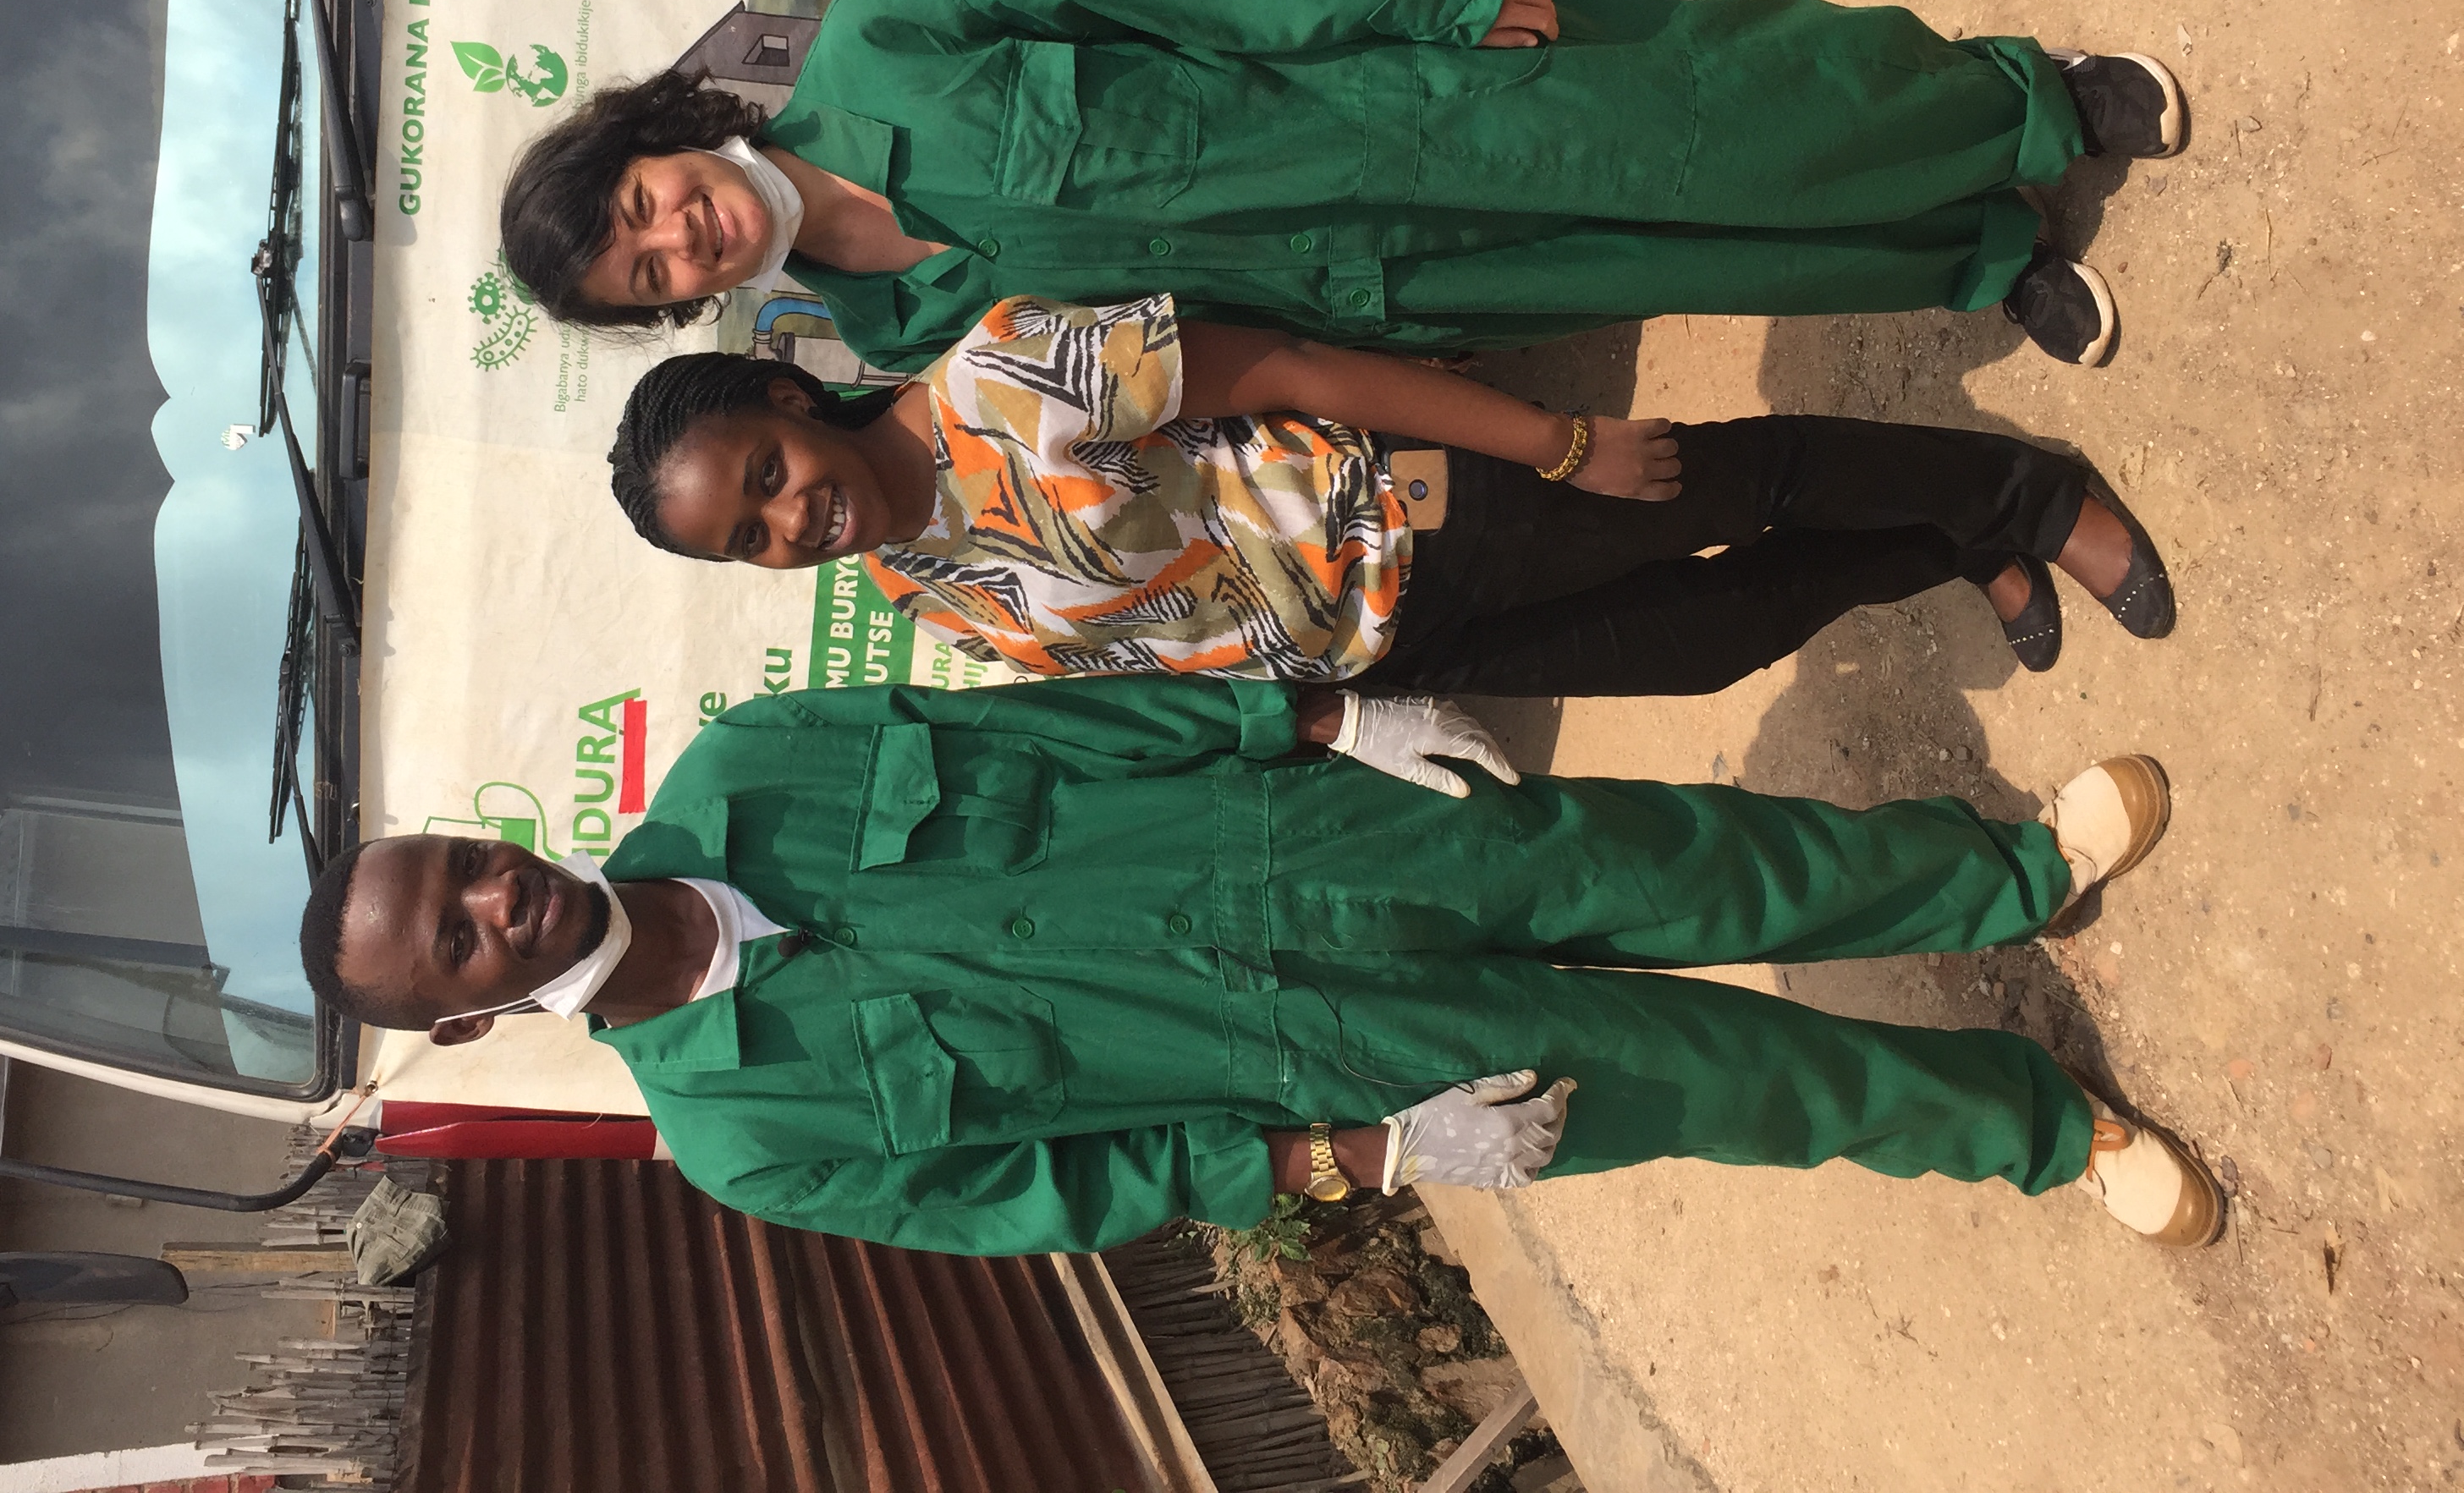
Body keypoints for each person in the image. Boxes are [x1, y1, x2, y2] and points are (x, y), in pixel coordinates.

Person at [301, 674, 2224, 1256]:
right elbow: (1066, 1189)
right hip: (1319, 1046)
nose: (499, 899)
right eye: (458, 936)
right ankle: (2046, 1130)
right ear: (467, 1012)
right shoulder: (743, 1138)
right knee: (1716, 1083)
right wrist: (1375, 1158)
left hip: (1305, 832)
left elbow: (1055, 726)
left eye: (467, 864)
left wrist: (1327, 721)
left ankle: (2006, 869)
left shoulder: (741, 772)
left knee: (1686, 858)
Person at [499, 0, 2188, 373]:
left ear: (660, 134)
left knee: (1712, 115)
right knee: (1691, 256)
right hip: (1391, 275)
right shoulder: (890, 330)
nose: (674, 241)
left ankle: (2022, 101)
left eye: (639, 207)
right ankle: (1976, 248)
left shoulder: (888, 36)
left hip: (1412, 104)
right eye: (644, 277)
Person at [604, 294, 2171, 702]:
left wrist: (1551, 442)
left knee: (1730, 488)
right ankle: (1945, 536)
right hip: (1389, 651)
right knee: (1716, 634)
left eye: (763, 476)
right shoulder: (912, 592)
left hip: (1419, 509)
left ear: (788, 398)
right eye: (746, 539)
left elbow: (1283, 364)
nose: (787, 521)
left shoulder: (1004, 374)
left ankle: (2026, 500)